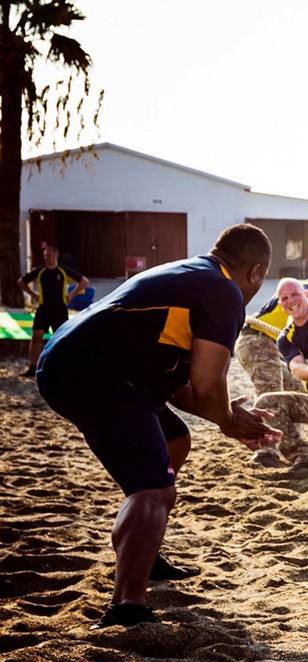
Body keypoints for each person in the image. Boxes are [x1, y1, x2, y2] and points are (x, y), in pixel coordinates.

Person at [36, 223, 280, 627]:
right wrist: (229, 421)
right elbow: (207, 385)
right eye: (260, 279)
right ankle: (127, 606)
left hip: (85, 366)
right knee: (153, 488)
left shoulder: (190, 273)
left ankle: (143, 554)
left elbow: (179, 387)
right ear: (255, 271)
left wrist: (227, 417)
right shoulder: (224, 290)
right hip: (95, 372)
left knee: (175, 440)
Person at [249, 279, 308, 475]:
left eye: (295, 295)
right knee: (267, 402)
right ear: (280, 304)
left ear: (306, 295)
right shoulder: (286, 337)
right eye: (284, 298)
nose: (290, 301)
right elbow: (297, 367)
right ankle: (305, 458)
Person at [235, 262, 308, 399]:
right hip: (256, 341)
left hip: (270, 346)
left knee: (298, 390)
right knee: (271, 395)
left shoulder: (307, 297)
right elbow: (297, 324)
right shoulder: (302, 293)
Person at [18, 246, 88, 377]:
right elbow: (21, 281)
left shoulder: (62, 271)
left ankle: (62, 366)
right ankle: (33, 367)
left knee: (61, 338)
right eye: (45, 256)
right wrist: (33, 294)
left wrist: (72, 295)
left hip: (59, 309)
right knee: (36, 337)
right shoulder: (40, 271)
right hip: (43, 308)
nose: (46, 258)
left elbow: (84, 281)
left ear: (56, 256)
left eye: (49, 255)